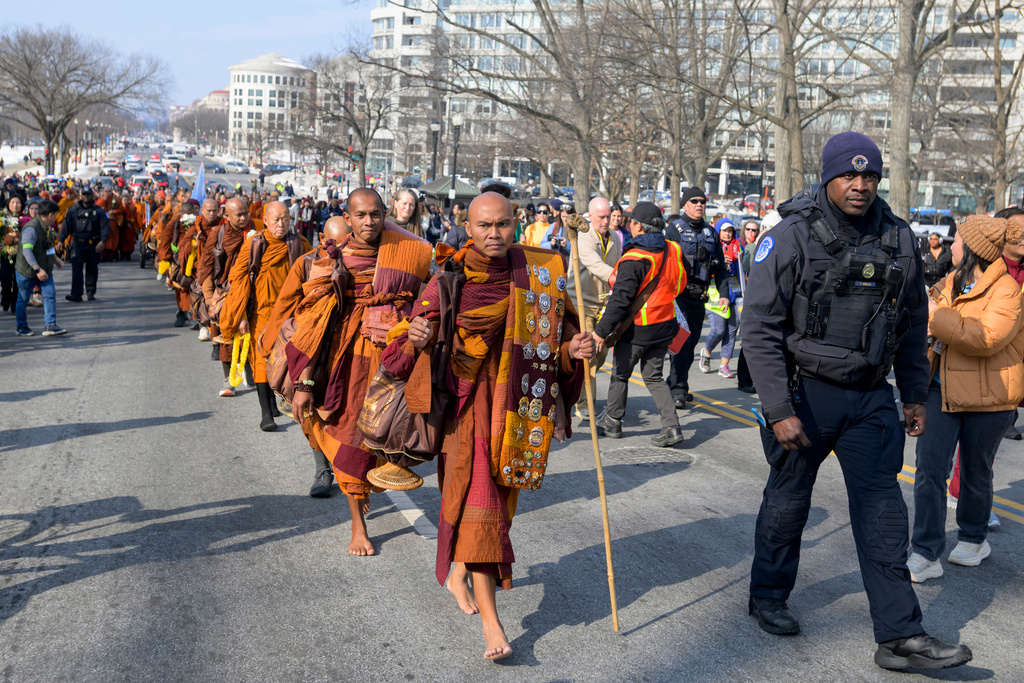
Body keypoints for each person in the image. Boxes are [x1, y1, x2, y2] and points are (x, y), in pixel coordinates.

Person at [742, 131, 971, 671]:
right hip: (805, 395)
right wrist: (778, 409)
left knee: (884, 513)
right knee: (788, 502)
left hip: (870, 397)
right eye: (849, 175)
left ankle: (899, 636)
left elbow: (913, 323)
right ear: (828, 177)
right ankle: (768, 596)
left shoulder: (899, 237)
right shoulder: (791, 236)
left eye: (870, 176)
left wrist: (914, 393)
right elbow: (759, 328)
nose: (860, 185)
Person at [380, 191, 592, 660]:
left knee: (499, 509)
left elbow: (557, 340)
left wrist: (573, 351)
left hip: (518, 413)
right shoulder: (448, 282)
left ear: (515, 223)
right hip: (467, 414)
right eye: (483, 226)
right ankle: (493, 624)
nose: (493, 234)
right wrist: (416, 337)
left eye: (502, 225)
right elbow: (398, 353)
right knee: (482, 507)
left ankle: (460, 571)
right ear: (468, 227)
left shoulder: (541, 274)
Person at [287, 189, 433, 554]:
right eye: (361, 215)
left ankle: (376, 479)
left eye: (375, 214)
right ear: (348, 218)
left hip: (396, 354)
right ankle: (357, 523)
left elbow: (434, 292)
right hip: (349, 359)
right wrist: (304, 381)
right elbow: (313, 324)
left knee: (397, 424)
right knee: (350, 433)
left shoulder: (409, 251)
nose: (369, 222)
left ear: (385, 214)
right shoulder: (332, 261)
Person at [908, 217, 1024, 583]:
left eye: (957, 239)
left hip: (989, 397)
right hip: (939, 388)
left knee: (975, 472)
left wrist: (937, 317)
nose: (951, 244)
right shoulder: (950, 279)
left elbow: (987, 337)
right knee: (929, 470)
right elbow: (927, 309)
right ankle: (926, 551)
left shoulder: (1007, 289)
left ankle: (974, 538)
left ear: (972, 248)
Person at [258, 216, 352, 499]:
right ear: (323, 239)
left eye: (348, 241)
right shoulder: (307, 263)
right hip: (311, 346)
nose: (341, 248)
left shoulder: (363, 262)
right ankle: (322, 469)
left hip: (348, 345)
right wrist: (270, 346)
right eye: (334, 242)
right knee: (310, 405)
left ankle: (350, 469)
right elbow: (285, 302)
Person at [594, 201, 686, 447]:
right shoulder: (673, 249)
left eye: (631, 221)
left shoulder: (634, 257)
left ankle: (613, 421)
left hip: (636, 328)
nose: (628, 224)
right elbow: (680, 284)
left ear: (638, 226)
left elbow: (619, 301)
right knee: (654, 377)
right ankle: (672, 427)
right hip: (665, 324)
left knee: (620, 374)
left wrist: (600, 332)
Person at [219, 201, 311, 430]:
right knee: (261, 358)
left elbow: (314, 275)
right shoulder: (254, 244)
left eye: (286, 219)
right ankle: (266, 413)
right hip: (260, 312)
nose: (281, 224)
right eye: (276, 220)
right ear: (266, 220)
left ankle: (279, 399)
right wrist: (240, 315)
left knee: (286, 359)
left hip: (290, 314)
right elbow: (238, 279)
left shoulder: (300, 244)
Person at [665, 187, 730, 408]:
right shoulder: (674, 229)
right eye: (694, 201)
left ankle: (674, 383)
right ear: (685, 204)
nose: (699, 204)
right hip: (678, 296)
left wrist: (724, 295)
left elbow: (720, 268)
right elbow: (665, 264)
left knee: (691, 344)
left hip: (699, 297)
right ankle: (678, 390)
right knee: (680, 344)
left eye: (702, 201)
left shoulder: (711, 233)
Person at [566, 196, 621, 420]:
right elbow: (594, 263)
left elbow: (618, 263)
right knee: (588, 355)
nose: (606, 221)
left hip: (604, 304)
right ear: (590, 216)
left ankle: (573, 384)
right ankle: (585, 404)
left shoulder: (616, 237)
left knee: (602, 353)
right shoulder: (583, 235)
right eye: (601, 217)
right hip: (581, 303)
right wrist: (616, 277)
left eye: (608, 216)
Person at [203, 197, 258, 394]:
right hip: (225, 290)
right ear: (227, 216)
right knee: (227, 333)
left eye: (246, 213)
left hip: (252, 289)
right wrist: (209, 297)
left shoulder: (256, 229)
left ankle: (249, 368)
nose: (244, 218)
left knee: (252, 331)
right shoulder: (218, 233)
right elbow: (207, 266)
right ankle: (228, 380)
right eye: (239, 215)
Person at [14, 200, 65, 336]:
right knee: (23, 298)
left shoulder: (47, 227)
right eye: (55, 215)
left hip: (44, 269)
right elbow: (27, 252)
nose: (56, 217)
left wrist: (55, 259)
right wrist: (38, 269)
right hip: (27, 271)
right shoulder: (31, 229)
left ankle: (51, 325)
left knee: (50, 294)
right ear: (50, 215)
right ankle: (21, 327)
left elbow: (47, 245)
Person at [699, 220, 741, 379]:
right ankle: (707, 352)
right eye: (724, 231)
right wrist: (719, 263)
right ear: (718, 232)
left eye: (730, 230)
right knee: (718, 330)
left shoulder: (739, 248)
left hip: (735, 294)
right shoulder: (712, 248)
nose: (728, 234)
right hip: (715, 295)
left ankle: (724, 366)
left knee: (731, 332)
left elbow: (744, 270)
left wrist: (737, 261)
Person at [59, 187, 109, 303]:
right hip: (78, 244)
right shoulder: (73, 210)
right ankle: (76, 294)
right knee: (76, 268)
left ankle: (90, 293)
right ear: (80, 196)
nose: (86, 196)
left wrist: (103, 241)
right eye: (84, 194)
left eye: (88, 194)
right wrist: (61, 240)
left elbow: (105, 227)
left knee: (92, 268)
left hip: (94, 245)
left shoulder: (99, 211)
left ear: (92, 196)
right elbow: (66, 226)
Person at [1, 194, 24, 312]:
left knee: (18, 280)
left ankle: (15, 304)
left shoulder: (25, 218)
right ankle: (6, 298)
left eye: (18, 202)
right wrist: (11, 239)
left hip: (21, 255)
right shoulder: (3, 218)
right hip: (6, 254)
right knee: (5, 279)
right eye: (13, 202)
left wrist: (17, 238)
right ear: (9, 204)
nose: (15, 205)